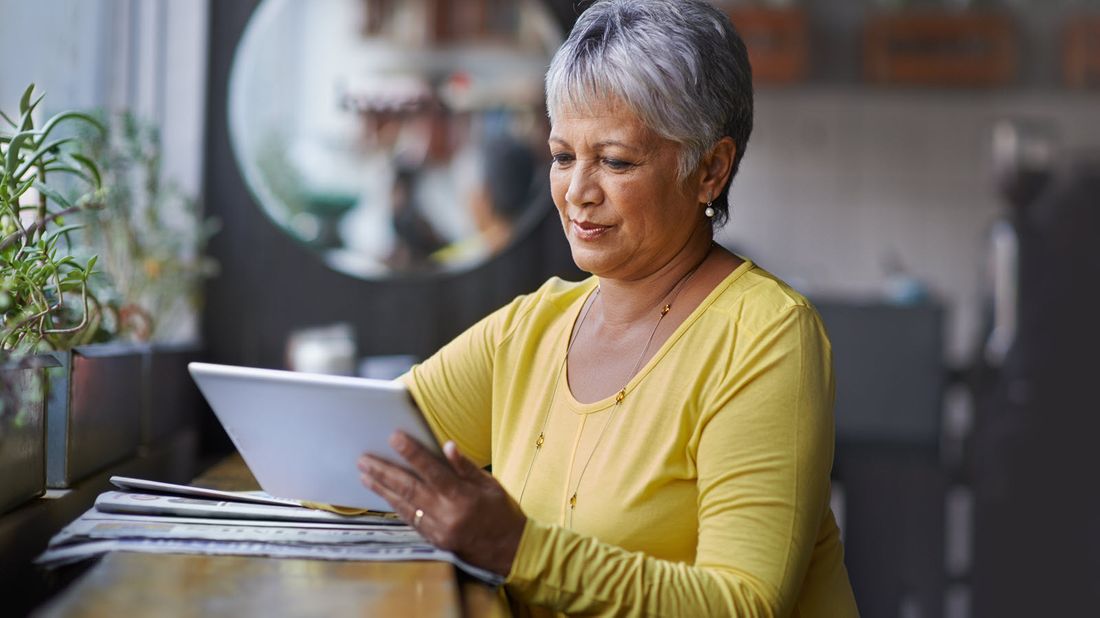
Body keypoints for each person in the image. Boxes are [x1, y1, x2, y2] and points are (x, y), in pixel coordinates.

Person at [358, 1, 859, 615]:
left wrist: (516, 550)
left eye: (615, 161)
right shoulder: (530, 331)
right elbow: (351, 452)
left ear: (710, 169)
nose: (577, 192)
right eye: (564, 156)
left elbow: (743, 604)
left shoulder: (764, 337)